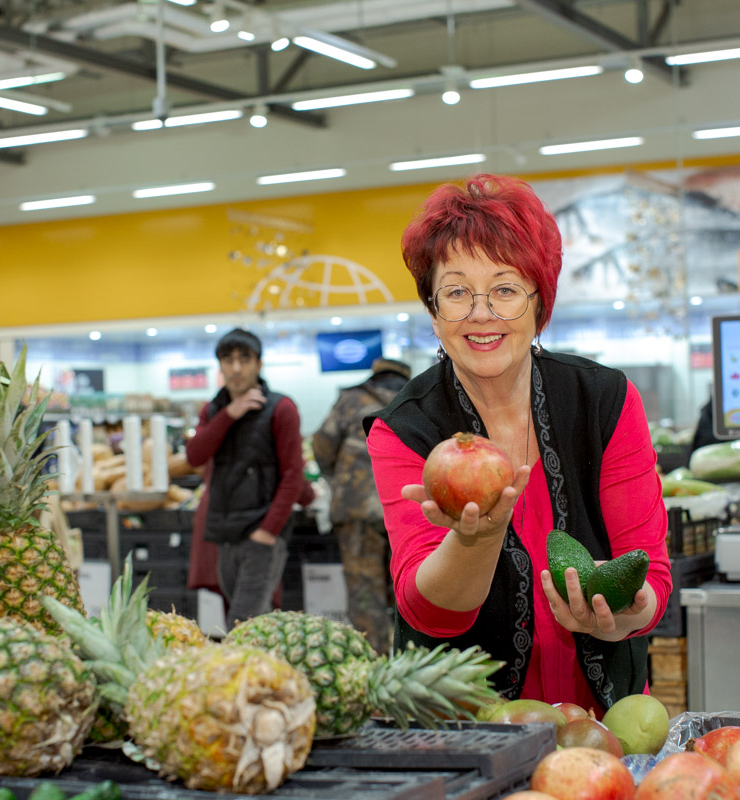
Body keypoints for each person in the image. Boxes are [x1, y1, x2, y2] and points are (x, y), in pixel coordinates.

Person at [364, 174, 671, 713]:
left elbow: (652, 574)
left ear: (538, 301)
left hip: (606, 719)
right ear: (433, 309)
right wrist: (474, 540)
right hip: (469, 726)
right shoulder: (404, 428)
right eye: (456, 292)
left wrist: (628, 613)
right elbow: (428, 611)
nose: (481, 313)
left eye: (505, 289)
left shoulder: (605, 400)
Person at [185, 328, 309, 629]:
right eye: (228, 360)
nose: (236, 367)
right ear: (220, 366)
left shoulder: (281, 408)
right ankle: (267, 675)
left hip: (260, 535)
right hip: (224, 535)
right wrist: (229, 414)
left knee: (243, 622)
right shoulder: (213, 410)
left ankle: (249, 675)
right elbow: (194, 456)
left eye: (245, 359)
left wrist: (267, 531)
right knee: (251, 624)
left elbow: (293, 475)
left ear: (259, 364)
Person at [312, 357, 412, 654]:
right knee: (408, 593)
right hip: (407, 510)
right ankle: (409, 666)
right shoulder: (417, 401)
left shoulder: (351, 399)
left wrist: (340, 478)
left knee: (364, 597)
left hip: (356, 510)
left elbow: (322, 446)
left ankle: (371, 669)